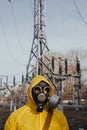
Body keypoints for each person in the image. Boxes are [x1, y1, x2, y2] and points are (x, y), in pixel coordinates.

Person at [4, 75, 69, 130]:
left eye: (46, 90)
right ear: (31, 92)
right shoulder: (16, 117)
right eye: (37, 89)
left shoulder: (59, 118)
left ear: (49, 93)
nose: (42, 93)